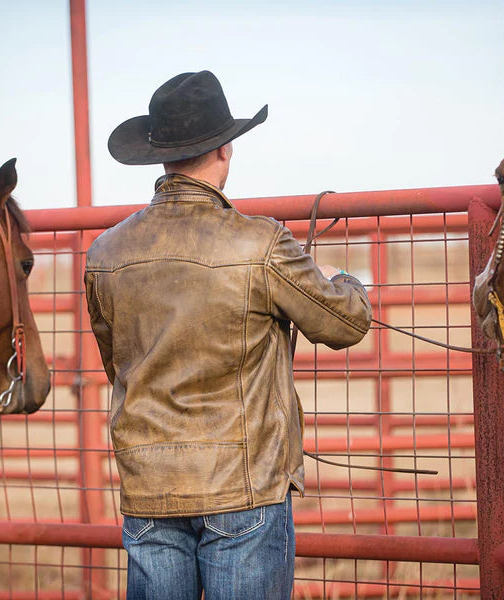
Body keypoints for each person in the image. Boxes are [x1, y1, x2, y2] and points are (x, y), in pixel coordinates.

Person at [85, 70, 372, 600]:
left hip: (150, 486)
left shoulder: (104, 253)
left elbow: (116, 360)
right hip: (244, 483)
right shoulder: (259, 243)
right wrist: (350, 281)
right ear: (226, 149)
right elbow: (345, 323)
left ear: (160, 155)